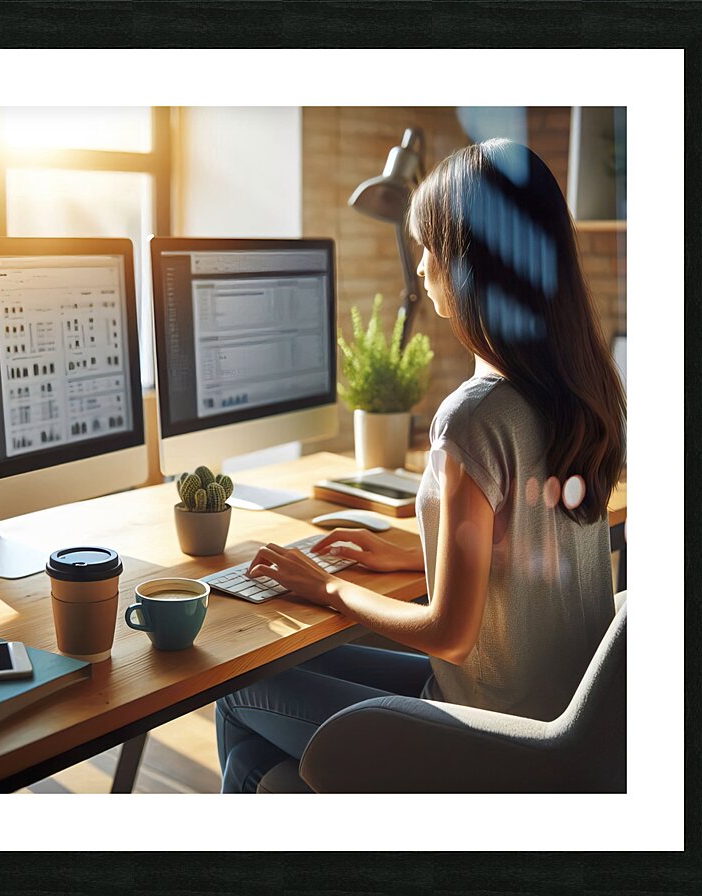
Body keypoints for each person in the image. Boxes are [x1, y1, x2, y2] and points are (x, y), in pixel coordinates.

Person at [215, 138, 627, 793]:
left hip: (491, 740)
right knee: (253, 763)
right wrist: (409, 555)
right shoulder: (579, 390)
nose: (423, 266)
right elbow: (523, 546)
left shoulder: (473, 416)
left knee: (237, 691)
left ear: (470, 264)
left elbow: (452, 634)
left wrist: (328, 589)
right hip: (563, 726)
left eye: (431, 247)